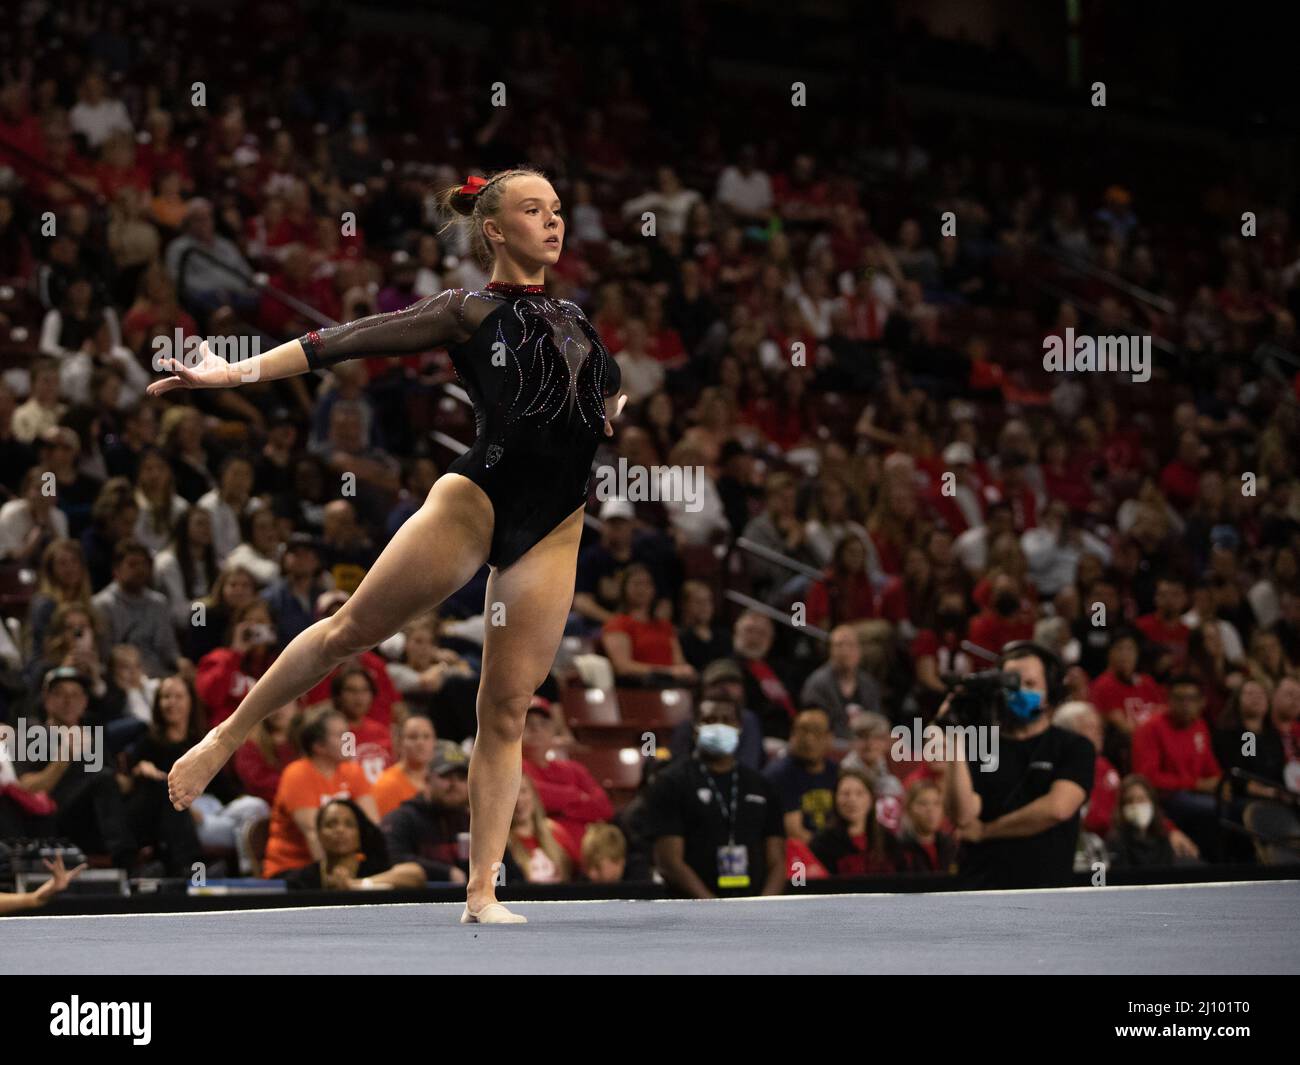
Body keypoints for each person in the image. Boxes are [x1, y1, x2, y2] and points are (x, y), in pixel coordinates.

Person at [152, 167, 627, 925]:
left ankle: (481, 891)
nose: (554, 221)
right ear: (495, 229)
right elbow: (341, 341)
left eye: (559, 209)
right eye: (533, 210)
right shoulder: (468, 310)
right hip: (477, 502)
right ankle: (223, 736)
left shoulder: (580, 320)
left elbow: (604, 393)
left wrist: (607, 408)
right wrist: (231, 373)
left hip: (557, 525)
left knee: (505, 710)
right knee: (350, 630)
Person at [941, 642, 1094, 889]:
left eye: (1030, 684)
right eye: (1011, 684)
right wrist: (955, 739)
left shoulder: (1075, 747)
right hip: (980, 890)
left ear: (1051, 690)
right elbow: (963, 815)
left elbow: (1058, 808)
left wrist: (986, 831)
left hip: (1048, 892)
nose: (1019, 691)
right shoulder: (978, 744)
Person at [642, 694, 786, 898]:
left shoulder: (762, 785)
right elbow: (669, 863)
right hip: (692, 914)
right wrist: (713, 909)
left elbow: (777, 860)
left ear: (739, 728)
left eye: (727, 721)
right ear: (695, 728)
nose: (719, 726)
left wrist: (764, 907)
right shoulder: (670, 783)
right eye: (709, 720)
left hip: (754, 911)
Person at [261, 706, 377, 878]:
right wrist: (330, 879)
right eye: (341, 735)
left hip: (349, 867)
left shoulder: (353, 772)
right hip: (294, 869)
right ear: (319, 746)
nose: (349, 740)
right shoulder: (297, 774)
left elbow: (372, 826)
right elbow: (314, 835)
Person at [277, 797, 426, 891]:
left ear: (360, 834)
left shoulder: (374, 868)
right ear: (319, 834)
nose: (340, 830)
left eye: (349, 825)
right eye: (330, 824)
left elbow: (415, 874)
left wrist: (355, 885)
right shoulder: (301, 880)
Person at [381, 755, 473, 884]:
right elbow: (392, 859)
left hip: (467, 900)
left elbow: (503, 867)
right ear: (427, 780)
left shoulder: (471, 821)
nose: (454, 784)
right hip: (415, 900)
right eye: (446, 776)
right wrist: (446, 872)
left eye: (461, 778)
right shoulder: (401, 819)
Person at [763, 707, 838, 842]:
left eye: (816, 732)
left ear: (830, 737)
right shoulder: (778, 774)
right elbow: (795, 833)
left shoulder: (835, 770)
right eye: (803, 731)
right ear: (792, 735)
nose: (809, 740)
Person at [809, 767, 898, 876]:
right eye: (845, 794)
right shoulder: (821, 844)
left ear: (871, 800)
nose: (852, 800)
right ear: (835, 799)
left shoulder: (888, 841)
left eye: (859, 793)